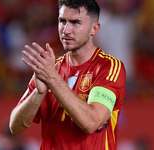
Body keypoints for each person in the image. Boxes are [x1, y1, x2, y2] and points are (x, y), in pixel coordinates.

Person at [9, 0, 126, 150]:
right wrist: (38, 93)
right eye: (62, 21)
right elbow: (16, 127)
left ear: (94, 28)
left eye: (75, 22)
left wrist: (53, 80)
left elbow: (91, 123)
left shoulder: (108, 67)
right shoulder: (50, 68)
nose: (66, 30)